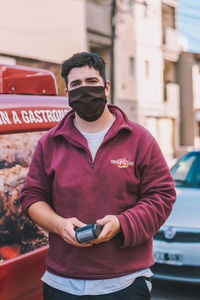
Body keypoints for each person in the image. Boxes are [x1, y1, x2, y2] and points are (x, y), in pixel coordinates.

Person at [20, 52, 176, 300]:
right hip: (62, 284)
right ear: (67, 92)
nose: (84, 90)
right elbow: (31, 197)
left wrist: (122, 223)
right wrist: (59, 225)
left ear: (106, 87)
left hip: (126, 283)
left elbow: (162, 195)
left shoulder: (139, 139)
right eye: (76, 84)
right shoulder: (49, 143)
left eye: (92, 82)